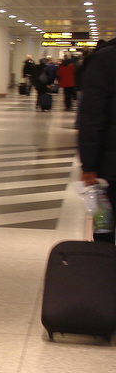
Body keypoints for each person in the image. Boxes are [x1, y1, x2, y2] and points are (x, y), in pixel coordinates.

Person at [77, 37, 116, 243]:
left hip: (110, 169)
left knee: (106, 229)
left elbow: (92, 117)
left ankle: (104, 271)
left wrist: (89, 166)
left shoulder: (105, 59)